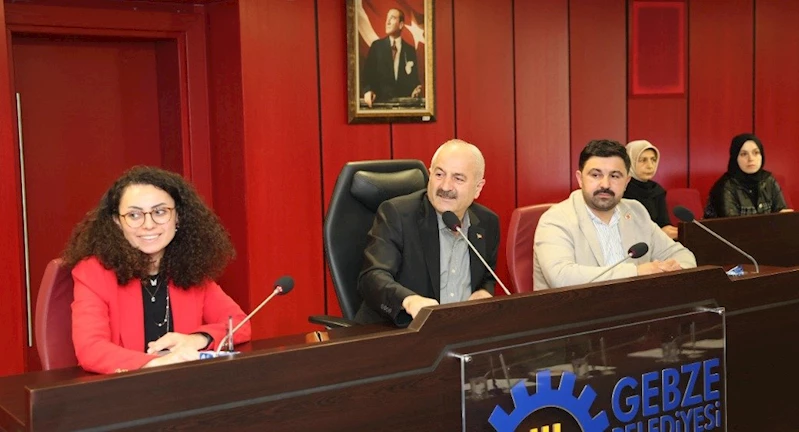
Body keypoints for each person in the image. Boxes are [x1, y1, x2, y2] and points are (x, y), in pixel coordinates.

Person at [62, 166, 251, 374]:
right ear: (117, 222)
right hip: (123, 388)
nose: (148, 225)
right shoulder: (93, 272)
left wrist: (197, 339)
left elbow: (239, 324)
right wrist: (156, 364)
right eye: (134, 215)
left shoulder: (190, 268)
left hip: (183, 385)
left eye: (160, 212)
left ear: (178, 217)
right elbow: (91, 349)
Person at [355, 139, 500, 326]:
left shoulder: (487, 222)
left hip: (461, 330)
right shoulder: (397, 214)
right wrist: (409, 301)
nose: (445, 186)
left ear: (478, 188)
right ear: (429, 175)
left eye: (458, 178)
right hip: (400, 330)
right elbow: (372, 278)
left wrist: (484, 292)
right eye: (439, 174)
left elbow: (487, 275)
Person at [533, 139, 696, 290]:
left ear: (626, 182)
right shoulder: (556, 219)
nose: (605, 184)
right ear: (580, 179)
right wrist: (636, 272)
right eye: (595, 175)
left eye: (615, 176)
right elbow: (561, 277)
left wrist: (672, 269)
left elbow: (682, 255)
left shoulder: (636, 212)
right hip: (577, 309)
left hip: (637, 306)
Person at [704, 133, 788, 218]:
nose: (751, 158)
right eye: (744, 154)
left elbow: (783, 214)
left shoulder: (769, 180)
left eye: (756, 153)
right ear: (735, 158)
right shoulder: (725, 187)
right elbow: (731, 224)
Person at [361, 8, 422, 108]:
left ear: (401, 25)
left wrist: (416, 89)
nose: (387, 22)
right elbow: (367, 77)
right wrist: (368, 91)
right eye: (387, 18)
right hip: (380, 105)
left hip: (403, 108)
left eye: (392, 18)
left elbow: (414, 81)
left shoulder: (410, 51)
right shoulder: (376, 47)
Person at [623, 140, 678, 239]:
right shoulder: (621, 191)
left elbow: (664, 224)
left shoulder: (657, 190)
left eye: (653, 160)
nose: (650, 166)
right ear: (628, 162)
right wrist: (659, 234)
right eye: (643, 160)